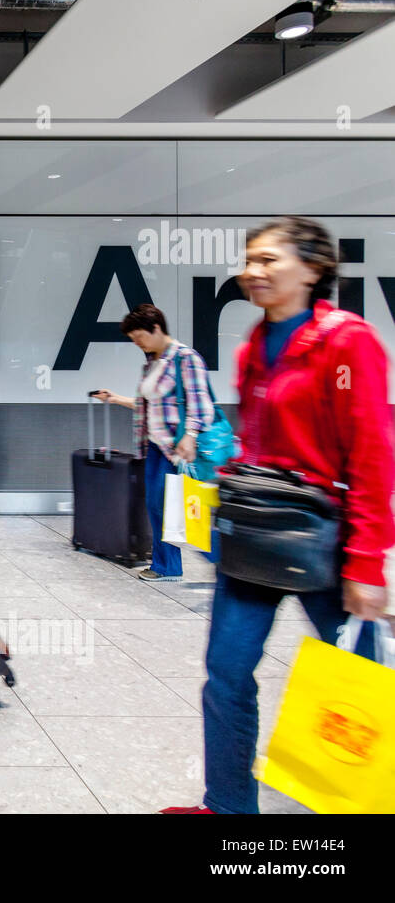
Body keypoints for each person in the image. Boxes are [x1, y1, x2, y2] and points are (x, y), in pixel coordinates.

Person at [163, 216, 394, 814]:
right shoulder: (254, 345)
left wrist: (367, 561)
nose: (252, 271)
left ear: (313, 269)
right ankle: (228, 807)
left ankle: (359, 803)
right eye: (250, 260)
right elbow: (261, 440)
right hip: (257, 531)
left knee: (355, 682)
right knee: (227, 675)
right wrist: (232, 469)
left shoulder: (348, 342)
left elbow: (372, 451)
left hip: (324, 538)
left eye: (269, 260)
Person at [90, 304, 216, 582]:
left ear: (156, 328)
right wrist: (114, 398)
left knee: (181, 508)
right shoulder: (153, 363)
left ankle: (216, 560)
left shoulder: (185, 359)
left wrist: (190, 436)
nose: (137, 344)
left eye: (139, 338)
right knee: (159, 506)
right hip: (155, 446)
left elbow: (202, 405)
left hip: (178, 448)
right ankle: (167, 565)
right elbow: (149, 407)